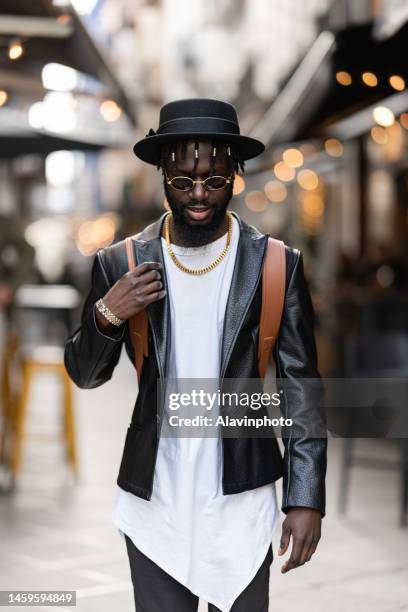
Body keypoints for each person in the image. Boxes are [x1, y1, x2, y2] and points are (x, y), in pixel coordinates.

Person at [64, 98, 327, 612]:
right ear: (163, 173)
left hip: (242, 500)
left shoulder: (276, 266)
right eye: (183, 181)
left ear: (236, 173)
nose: (200, 194)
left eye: (215, 179)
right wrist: (107, 314)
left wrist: (305, 494)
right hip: (155, 500)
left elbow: (302, 390)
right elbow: (84, 375)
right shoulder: (120, 262)